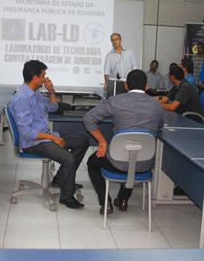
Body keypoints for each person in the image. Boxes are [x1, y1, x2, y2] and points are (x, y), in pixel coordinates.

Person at [9, 60, 89, 209]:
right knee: (69, 159)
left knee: (83, 141)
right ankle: (66, 196)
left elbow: (53, 107)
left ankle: (61, 179)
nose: (45, 78)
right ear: (35, 78)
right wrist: (53, 137)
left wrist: (51, 91)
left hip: (44, 136)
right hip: (33, 143)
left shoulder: (35, 93)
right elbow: (27, 132)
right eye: (43, 75)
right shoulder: (21, 98)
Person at [84, 70, 164, 214]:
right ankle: (123, 199)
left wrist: (102, 141)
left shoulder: (115, 101)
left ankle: (105, 202)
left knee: (92, 162)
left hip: (116, 163)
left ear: (126, 85)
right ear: (146, 86)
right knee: (135, 152)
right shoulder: (157, 105)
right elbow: (160, 127)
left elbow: (88, 118)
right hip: (145, 164)